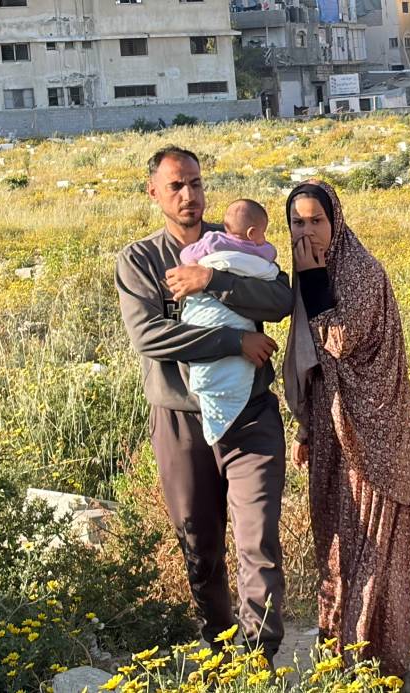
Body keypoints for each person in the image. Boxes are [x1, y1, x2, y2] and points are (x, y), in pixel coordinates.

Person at [115, 146, 293, 659]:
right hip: (180, 421)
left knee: (257, 540)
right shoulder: (140, 260)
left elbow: (281, 299)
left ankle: (258, 659)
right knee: (201, 546)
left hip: (249, 415)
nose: (188, 194)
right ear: (153, 193)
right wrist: (234, 341)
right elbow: (151, 336)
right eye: (176, 185)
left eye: (195, 183)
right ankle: (218, 652)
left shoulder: (235, 240)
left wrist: (214, 281)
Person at [281, 180, 410, 678]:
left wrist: (312, 278)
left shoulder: (359, 271)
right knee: (334, 539)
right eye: (297, 222)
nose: (307, 232)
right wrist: (306, 429)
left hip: (373, 431)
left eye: (316, 221)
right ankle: (339, 657)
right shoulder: (313, 271)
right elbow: (311, 363)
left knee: (370, 539)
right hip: (331, 426)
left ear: (336, 222)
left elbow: (339, 340)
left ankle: (371, 661)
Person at [178, 199, 283, 446]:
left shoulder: (212, 240)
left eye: (195, 183)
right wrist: (236, 341)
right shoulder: (258, 252)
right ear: (253, 232)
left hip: (254, 409)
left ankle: (217, 414)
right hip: (182, 408)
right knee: (230, 374)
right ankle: (220, 413)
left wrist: (207, 276)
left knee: (214, 372)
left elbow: (187, 256)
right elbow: (270, 264)